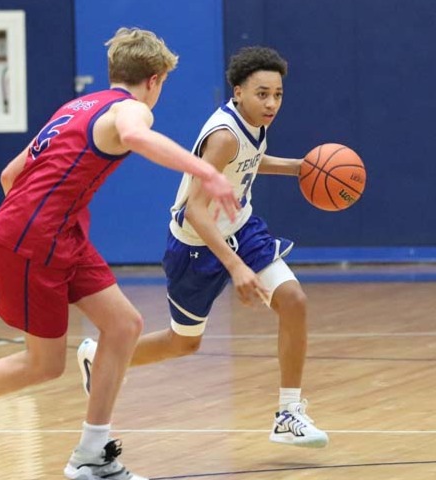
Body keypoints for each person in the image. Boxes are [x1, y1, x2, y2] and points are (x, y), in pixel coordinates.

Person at [0, 27, 239, 480]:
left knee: (124, 325)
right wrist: (206, 173)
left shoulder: (77, 106)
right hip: (35, 238)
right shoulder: (132, 109)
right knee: (43, 364)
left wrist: (52, 214)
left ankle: (92, 454)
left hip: (59, 233)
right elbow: (136, 136)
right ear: (154, 80)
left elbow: (9, 175)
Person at [78, 46, 329, 449]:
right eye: (262, 94)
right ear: (238, 92)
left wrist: (298, 167)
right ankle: (99, 356)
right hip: (195, 244)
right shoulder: (225, 136)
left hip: (241, 227)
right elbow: (195, 210)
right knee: (183, 342)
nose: (271, 103)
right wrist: (236, 266)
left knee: (293, 301)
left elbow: (250, 160)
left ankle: (288, 414)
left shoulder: (253, 124)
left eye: (278, 95)